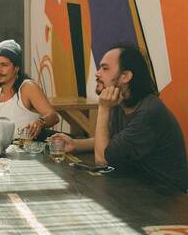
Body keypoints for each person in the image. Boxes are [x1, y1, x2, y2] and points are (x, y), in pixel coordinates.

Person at [51, 43, 188, 192]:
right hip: (137, 187)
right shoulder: (121, 104)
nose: (97, 73)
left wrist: (103, 108)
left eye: (105, 68)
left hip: (168, 199)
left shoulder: (149, 113)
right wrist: (76, 144)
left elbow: (103, 160)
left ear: (126, 76)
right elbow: (113, 143)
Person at [0, 39, 59, 140]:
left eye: (4, 65)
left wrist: (40, 122)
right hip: (9, 152)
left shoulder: (28, 88)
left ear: (16, 67)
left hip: (33, 150)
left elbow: (53, 116)